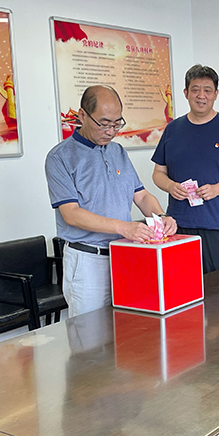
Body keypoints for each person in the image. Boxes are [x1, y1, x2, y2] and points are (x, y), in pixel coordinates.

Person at [45, 85, 176, 318]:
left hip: (124, 256)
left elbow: (141, 196)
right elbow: (71, 213)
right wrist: (123, 227)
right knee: (89, 334)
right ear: (82, 115)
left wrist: (162, 217)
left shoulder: (118, 152)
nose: (111, 131)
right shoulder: (60, 157)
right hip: (88, 261)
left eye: (117, 124)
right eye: (104, 124)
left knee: (128, 326)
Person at [152, 65, 219, 274]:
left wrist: (217, 189)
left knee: (217, 287)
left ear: (216, 94)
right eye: (195, 89)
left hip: (215, 224)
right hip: (177, 224)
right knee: (180, 284)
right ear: (186, 93)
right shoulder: (173, 129)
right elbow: (158, 173)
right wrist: (170, 186)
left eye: (207, 90)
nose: (201, 95)